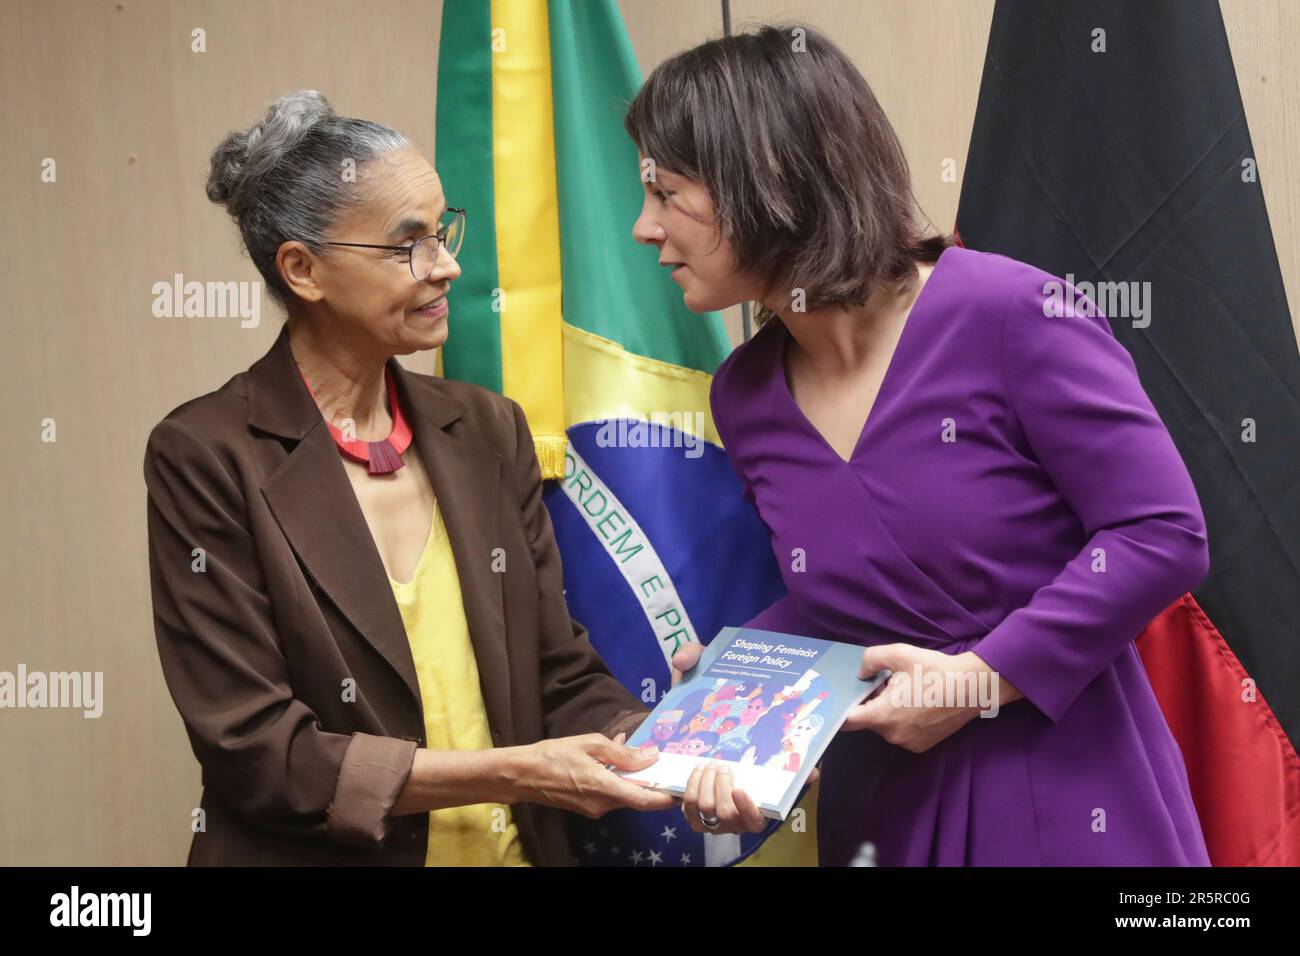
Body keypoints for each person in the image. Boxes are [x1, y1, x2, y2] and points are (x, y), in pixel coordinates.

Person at [630, 26, 1211, 865]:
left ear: (772, 176)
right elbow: (844, 596)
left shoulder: (1014, 315)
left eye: (668, 193)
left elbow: (1162, 535)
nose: (643, 228)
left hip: (1065, 787)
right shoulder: (744, 393)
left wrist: (978, 680)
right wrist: (739, 688)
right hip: (883, 810)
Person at [144, 90, 684, 866]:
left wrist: (672, 746)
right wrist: (514, 773)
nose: (448, 266)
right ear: (303, 270)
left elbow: (557, 675)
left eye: (443, 232)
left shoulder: (488, 429)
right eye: (409, 247)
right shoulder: (206, 454)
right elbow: (257, 749)